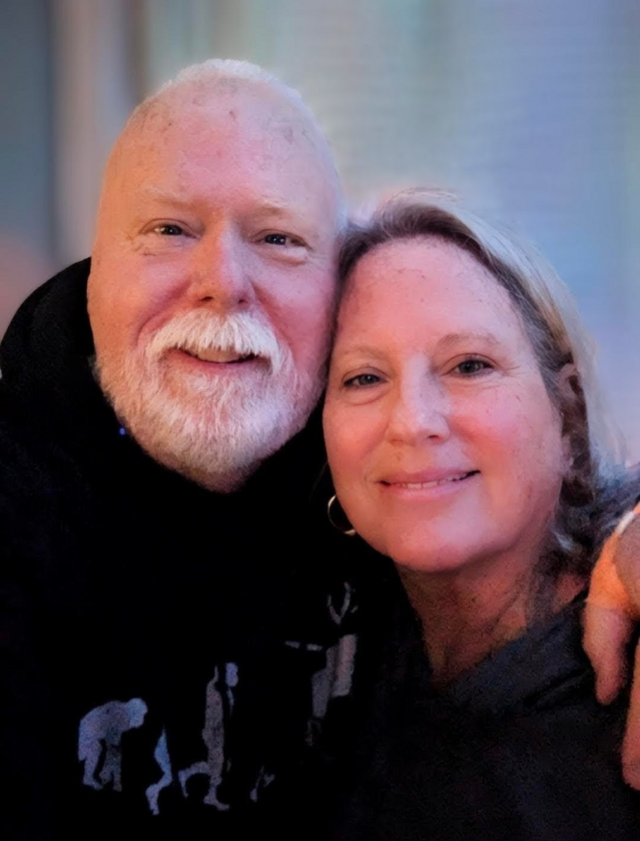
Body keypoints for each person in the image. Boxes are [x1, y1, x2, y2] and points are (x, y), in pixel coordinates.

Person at [0, 58, 358, 839]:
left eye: (279, 238)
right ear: (94, 270)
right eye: (169, 229)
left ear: (342, 292)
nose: (222, 281)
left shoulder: (394, 483)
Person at [323, 189, 640, 839]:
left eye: (470, 365)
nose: (413, 420)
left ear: (567, 417)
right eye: (363, 377)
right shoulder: (334, 647)